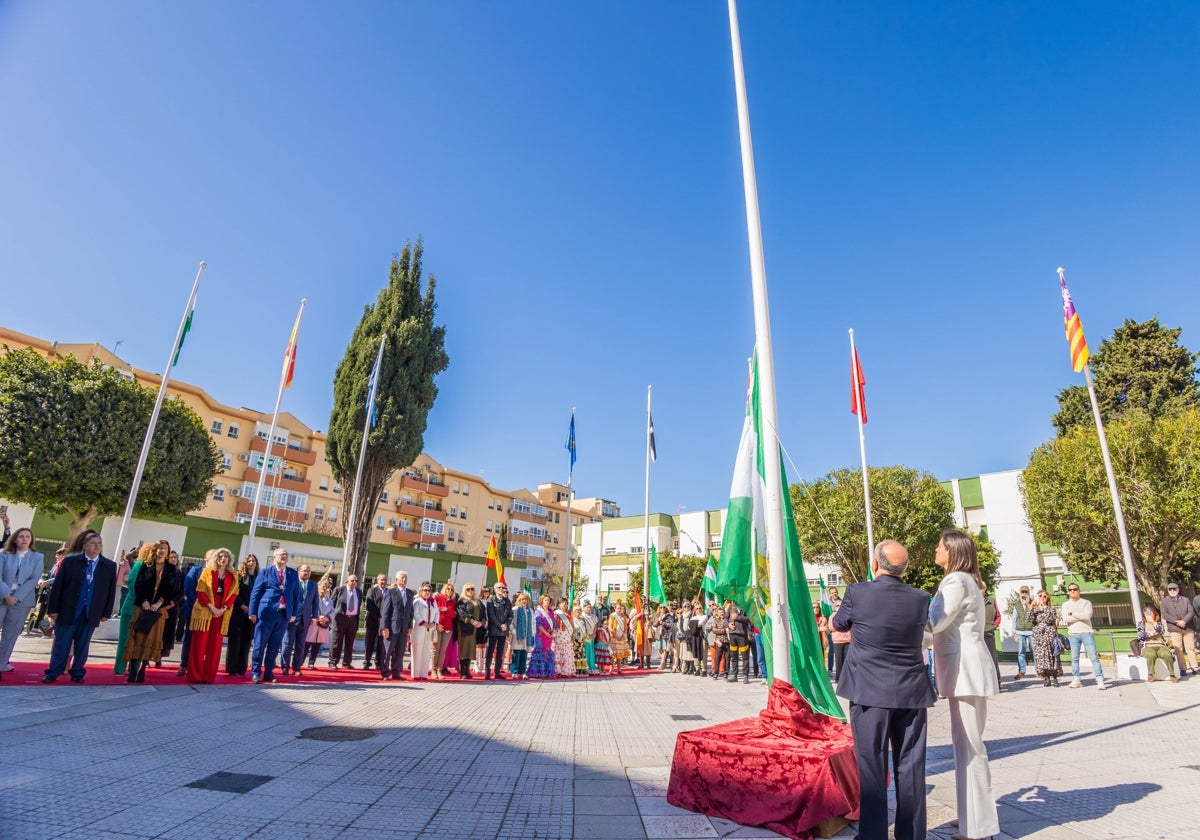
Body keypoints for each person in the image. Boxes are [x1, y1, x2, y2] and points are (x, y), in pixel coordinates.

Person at [833, 540, 937, 840]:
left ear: (875, 564)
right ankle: (912, 835)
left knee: (871, 766)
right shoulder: (921, 597)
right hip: (912, 692)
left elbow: (839, 624)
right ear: (904, 569)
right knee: (912, 767)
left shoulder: (857, 592)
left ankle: (873, 835)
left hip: (868, 692)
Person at [929, 529, 1000, 840]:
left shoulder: (956, 581)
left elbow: (934, 622)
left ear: (953, 551)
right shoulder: (965, 580)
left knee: (970, 748)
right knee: (964, 745)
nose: (935, 550)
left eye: (940, 546)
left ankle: (979, 826)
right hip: (965, 671)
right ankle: (970, 814)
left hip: (966, 672)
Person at [42, 532, 117, 684]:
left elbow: (110, 591)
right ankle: (53, 671)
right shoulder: (70, 562)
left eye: (99, 544)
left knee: (82, 645)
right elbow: (58, 587)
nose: (97, 546)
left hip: (91, 611)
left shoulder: (109, 566)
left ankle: (77, 672)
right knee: (61, 643)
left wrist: (106, 612)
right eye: (93, 543)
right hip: (68, 610)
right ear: (85, 546)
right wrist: (53, 609)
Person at [124, 540, 181, 684]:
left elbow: (173, 590)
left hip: (158, 610)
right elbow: (138, 585)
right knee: (136, 637)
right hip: (142, 607)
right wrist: (144, 601)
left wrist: (159, 603)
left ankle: (143, 668)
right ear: (155, 550)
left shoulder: (172, 570)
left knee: (151, 638)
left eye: (165, 549)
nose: (162, 551)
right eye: (160, 548)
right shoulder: (145, 566)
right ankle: (132, 670)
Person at [248, 547, 301, 684]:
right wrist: (252, 612)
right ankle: (255, 672)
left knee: (275, 645)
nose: (284, 556)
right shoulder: (265, 572)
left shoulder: (292, 573)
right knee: (260, 644)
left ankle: (269, 672)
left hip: (283, 615)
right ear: (274, 557)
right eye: (281, 554)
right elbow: (256, 593)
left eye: (286, 554)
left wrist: (294, 613)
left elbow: (296, 596)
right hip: (267, 612)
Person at [187, 548, 239, 684]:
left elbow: (234, 594)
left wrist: (222, 609)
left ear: (229, 560)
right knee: (199, 645)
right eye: (220, 556)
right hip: (205, 611)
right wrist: (212, 607)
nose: (223, 559)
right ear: (215, 558)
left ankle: (208, 676)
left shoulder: (233, 575)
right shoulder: (207, 572)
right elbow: (200, 591)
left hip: (221, 613)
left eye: (226, 557)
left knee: (215, 647)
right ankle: (195, 676)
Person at [1, 526, 44, 676]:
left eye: (27, 536)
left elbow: (34, 579)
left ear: (31, 540)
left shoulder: (37, 557)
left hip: (22, 601)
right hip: (2, 597)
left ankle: (1, 664)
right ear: (15, 539)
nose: (24, 539)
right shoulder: (4, 555)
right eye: (21, 536)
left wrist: (16, 597)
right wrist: (6, 594)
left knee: (11, 633)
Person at [1061, 582, 1107, 689]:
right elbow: (1066, 619)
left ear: (1079, 591)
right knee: (1074, 658)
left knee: (1093, 657)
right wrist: (1078, 616)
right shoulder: (1065, 605)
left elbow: (1087, 616)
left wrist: (1073, 613)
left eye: (1075, 589)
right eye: (1070, 590)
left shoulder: (1086, 602)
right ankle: (1076, 679)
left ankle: (1100, 679)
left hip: (1086, 632)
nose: (1072, 591)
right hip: (1073, 634)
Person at [224, 554, 258, 676]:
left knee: (246, 641)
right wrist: (242, 605)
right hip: (239, 611)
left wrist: (253, 609)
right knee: (235, 641)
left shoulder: (259, 577)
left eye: (253, 561)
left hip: (252, 613)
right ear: (245, 562)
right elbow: (234, 592)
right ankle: (232, 668)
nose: (251, 563)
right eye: (249, 561)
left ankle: (242, 668)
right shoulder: (239, 576)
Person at [113, 547, 144, 676]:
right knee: (125, 639)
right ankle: (120, 667)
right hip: (131, 607)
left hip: (145, 611)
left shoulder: (157, 569)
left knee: (140, 642)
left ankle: (134, 668)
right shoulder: (138, 565)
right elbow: (132, 583)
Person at [283, 563, 319, 675]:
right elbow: (288, 600)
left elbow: (315, 602)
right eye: (304, 570)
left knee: (301, 645)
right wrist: (288, 614)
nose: (307, 573)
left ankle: (297, 668)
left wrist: (314, 617)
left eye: (309, 571)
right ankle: (285, 666)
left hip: (306, 620)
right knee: (288, 644)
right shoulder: (293, 583)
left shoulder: (313, 585)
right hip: (292, 618)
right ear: (298, 572)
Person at [380, 571, 415, 680]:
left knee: (400, 652)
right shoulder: (391, 592)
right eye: (402, 577)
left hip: (404, 629)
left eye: (406, 577)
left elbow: (410, 611)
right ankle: (385, 673)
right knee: (387, 651)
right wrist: (384, 627)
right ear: (397, 580)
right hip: (392, 627)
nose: (404, 579)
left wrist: (410, 627)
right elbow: (385, 611)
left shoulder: (410, 593)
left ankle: (396, 672)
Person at [174, 559, 204, 677]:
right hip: (193, 609)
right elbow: (188, 589)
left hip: (208, 612)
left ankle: (197, 665)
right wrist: (199, 603)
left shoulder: (216, 573)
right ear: (206, 558)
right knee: (189, 637)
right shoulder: (195, 570)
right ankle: (184, 665)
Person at [1161, 582, 1197, 677]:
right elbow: (1165, 614)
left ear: (1178, 589)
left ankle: (1194, 667)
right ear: (1168, 591)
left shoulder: (1186, 600)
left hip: (1188, 627)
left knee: (1191, 648)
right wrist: (1177, 622)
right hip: (1174, 628)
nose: (1172, 591)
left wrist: (1184, 621)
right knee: (1178, 650)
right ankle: (1183, 668)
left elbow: (1191, 611)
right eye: (1170, 589)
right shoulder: (1164, 601)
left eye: (1174, 589)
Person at [1137, 605, 1178, 683]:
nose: (1148, 615)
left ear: (1154, 613)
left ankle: (1172, 674)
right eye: (1146, 613)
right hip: (1148, 645)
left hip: (1160, 645)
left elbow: (1161, 631)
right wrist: (1153, 633)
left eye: (1150, 613)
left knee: (1167, 654)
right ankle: (1151, 674)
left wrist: (1153, 622)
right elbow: (1141, 635)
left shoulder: (1158, 623)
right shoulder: (1141, 624)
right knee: (1151, 655)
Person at [329, 574, 363, 669]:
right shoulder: (339, 590)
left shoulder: (359, 592)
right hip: (340, 619)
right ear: (347, 581)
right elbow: (332, 604)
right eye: (352, 580)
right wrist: (332, 616)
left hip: (353, 619)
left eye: (356, 581)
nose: (354, 582)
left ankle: (346, 662)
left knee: (350, 642)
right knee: (337, 642)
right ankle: (333, 661)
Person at [1029, 590, 1062, 687]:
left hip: (1049, 635)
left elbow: (1049, 619)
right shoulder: (1035, 610)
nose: (1042, 598)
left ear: (1047, 598)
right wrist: (1031, 608)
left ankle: (1055, 678)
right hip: (1039, 637)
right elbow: (1030, 619)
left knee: (1051, 656)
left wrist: (1045, 607)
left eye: (1044, 596)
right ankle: (1047, 679)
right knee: (1042, 658)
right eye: (1040, 596)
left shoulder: (1051, 609)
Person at [410, 581, 440, 680]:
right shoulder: (417, 601)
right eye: (425, 590)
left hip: (430, 630)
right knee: (417, 652)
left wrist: (434, 623)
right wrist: (424, 623)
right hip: (419, 629)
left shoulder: (433, 602)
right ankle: (415, 674)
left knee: (427, 652)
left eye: (429, 590)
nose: (427, 592)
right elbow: (416, 614)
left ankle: (423, 674)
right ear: (421, 591)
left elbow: (437, 613)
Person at [160, 550, 184, 666]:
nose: (173, 559)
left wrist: (173, 602)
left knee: (167, 633)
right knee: (157, 632)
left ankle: (160, 657)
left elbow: (182, 591)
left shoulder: (180, 573)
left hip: (173, 607)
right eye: (171, 557)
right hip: (160, 605)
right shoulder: (162, 571)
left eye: (175, 557)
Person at [455, 583, 484, 679]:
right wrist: (471, 621)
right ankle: (462, 671)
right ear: (465, 590)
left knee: (471, 650)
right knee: (464, 650)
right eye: (468, 589)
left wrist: (481, 622)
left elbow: (483, 614)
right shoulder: (462, 601)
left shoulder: (478, 601)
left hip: (475, 629)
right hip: (465, 628)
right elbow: (461, 614)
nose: (470, 591)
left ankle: (467, 670)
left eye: (472, 589)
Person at [485, 583, 513, 680]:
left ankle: (497, 672)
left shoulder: (507, 601)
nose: (501, 589)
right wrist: (499, 625)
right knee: (490, 650)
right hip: (493, 629)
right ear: (495, 589)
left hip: (503, 630)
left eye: (503, 588)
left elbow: (510, 615)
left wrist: (506, 624)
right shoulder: (491, 600)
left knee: (500, 652)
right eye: (499, 587)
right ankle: (487, 672)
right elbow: (491, 615)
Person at [304, 578, 335, 666]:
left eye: (327, 587)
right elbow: (307, 609)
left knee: (317, 646)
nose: (325, 588)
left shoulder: (329, 600)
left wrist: (327, 618)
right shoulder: (311, 597)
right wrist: (316, 617)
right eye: (323, 586)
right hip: (312, 624)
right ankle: (299, 663)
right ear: (318, 586)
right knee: (306, 645)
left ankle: (311, 663)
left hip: (322, 626)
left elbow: (333, 611)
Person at [1008, 587, 1035, 680]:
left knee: (1036, 651)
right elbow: (1014, 619)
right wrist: (1014, 632)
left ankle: (1039, 671)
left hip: (1031, 631)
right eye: (1022, 592)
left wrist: (1028, 605)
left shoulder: (1032, 603)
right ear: (1020, 594)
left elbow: (1035, 616)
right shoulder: (1017, 605)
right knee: (1021, 652)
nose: (1024, 594)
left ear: (1028, 593)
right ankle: (1022, 671)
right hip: (1020, 631)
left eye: (1026, 592)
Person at [363, 573, 388, 670]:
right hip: (373, 621)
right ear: (377, 580)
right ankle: (366, 662)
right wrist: (378, 616)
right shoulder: (372, 590)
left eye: (385, 580)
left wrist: (384, 618)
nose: (383, 582)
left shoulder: (388, 591)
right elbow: (369, 605)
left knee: (381, 644)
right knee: (370, 642)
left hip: (383, 622)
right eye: (381, 580)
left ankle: (378, 663)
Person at [528, 594, 557, 679]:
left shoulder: (551, 611)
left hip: (549, 636)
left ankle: (548, 672)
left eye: (548, 600)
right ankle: (538, 672)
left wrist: (553, 632)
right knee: (540, 651)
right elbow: (538, 624)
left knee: (548, 652)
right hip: (540, 635)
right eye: (545, 600)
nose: (547, 602)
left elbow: (554, 623)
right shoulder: (538, 611)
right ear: (542, 601)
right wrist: (545, 632)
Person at [434, 581, 458, 677]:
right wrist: (436, 625)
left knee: (443, 650)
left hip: (448, 628)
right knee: (436, 649)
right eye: (448, 589)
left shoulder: (453, 602)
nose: (449, 591)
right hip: (437, 626)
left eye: (452, 590)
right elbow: (433, 612)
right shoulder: (438, 598)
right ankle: (433, 669)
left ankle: (440, 669)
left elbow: (454, 615)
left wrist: (447, 610)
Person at [510, 591, 535, 679]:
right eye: (522, 599)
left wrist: (532, 633)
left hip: (527, 636)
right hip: (518, 635)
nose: (524, 601)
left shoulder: (529, 610)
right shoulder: (515, 609)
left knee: (524, 655)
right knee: (516, 654)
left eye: (526, 599)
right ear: (519, 600)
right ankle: (514, 671)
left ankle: (522, 671)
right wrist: (514, 631)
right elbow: (510, 622)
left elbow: (533, 623)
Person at [726, 605, 753, 684]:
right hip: (732, 634)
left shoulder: (745, 607)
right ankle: (735, 675)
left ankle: (745, 675)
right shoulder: (731, 606)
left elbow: (749, 619)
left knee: (745, 656)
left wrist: (737, 617)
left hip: (742, 634)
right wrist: (728, 625)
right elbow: (725, 618)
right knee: (734, 656)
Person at [552, 597, 576, 677]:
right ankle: (558, 671)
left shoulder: (569, 613)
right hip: (558, 636)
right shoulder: (556, 613)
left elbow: (572, 625)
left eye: (566, 603)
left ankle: (566, 671)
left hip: (567, 636)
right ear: (559, 604)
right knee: (558, 654)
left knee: (567, 654)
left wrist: (573, 635)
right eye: (562, 603)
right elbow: (553, 625)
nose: (564, 604)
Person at [829, 603, 851, 682]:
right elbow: (831, 627)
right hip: (837, 640)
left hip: (848, 640)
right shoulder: (833, 616)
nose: (839, 606)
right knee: (839, 660)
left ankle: (847, 678)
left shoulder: (848, 614)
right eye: (837, 605)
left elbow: (851, 625)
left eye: (841, 605)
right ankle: (838, 678)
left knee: (848, 660)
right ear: (834, 607)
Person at [608, 601, 631, 675]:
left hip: (621, 637)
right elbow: (610, 627)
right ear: (615, 609)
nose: (619, 610)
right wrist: (615, 635)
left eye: (620, 608)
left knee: (619, 654)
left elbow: (625, 627)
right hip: (614, 637)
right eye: (618, 608)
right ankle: (611, 669)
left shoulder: (624, 616)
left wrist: (623, 635)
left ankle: (619, 669)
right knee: (613, 654)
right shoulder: (612, 616)